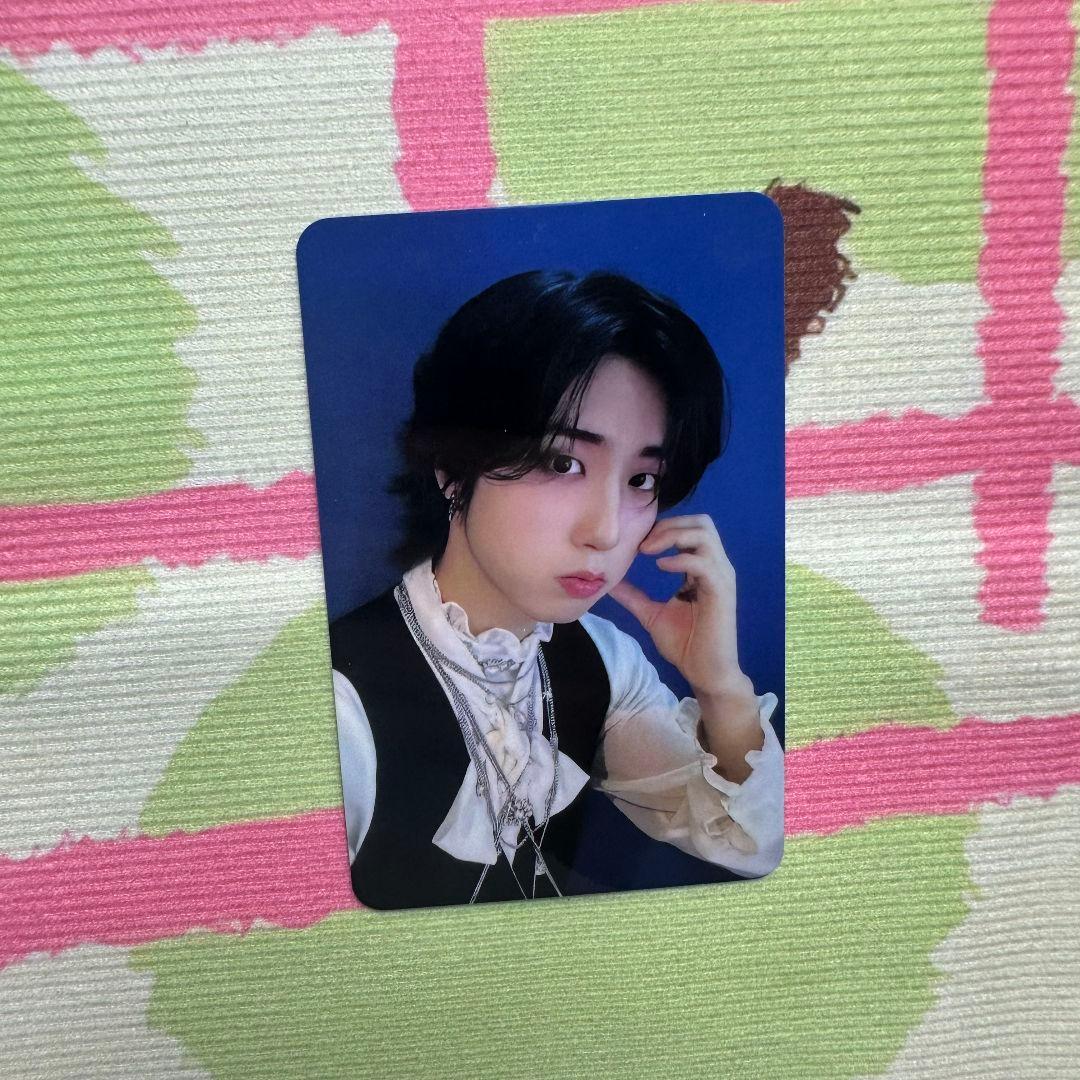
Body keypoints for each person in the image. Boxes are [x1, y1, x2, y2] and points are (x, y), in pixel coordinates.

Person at [330, 269, 784, 909]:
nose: (606, 531)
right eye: (561, 462)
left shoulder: (605, 658)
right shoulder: (342, 701)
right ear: (452, 467)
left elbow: (752, 844)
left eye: (642, 480)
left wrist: (721, 686)